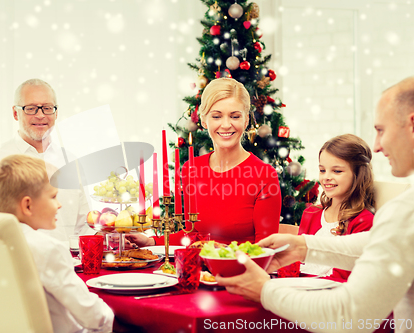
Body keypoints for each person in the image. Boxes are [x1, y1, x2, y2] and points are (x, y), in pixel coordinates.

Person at [216, 76, 414, 333]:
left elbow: (348, 316)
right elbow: (383, 243)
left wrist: (264, 290)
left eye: (380, 130)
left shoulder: (404, 212)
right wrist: (304, 246)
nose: (376, 147)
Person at [128, 78, 281, 247]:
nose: (226, 124)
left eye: (235, 116)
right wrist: (151, 241)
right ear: (203, 120)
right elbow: (193, 235)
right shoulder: (190, 169)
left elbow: (267, 250)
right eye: (216, 116)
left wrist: (224, 253)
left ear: (246, 120)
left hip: (242, 271)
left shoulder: (264, 175)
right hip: (197, 271)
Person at [0, 154, 114, 332]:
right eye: (53, 197)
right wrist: (111, 318)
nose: (59, 205)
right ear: (28, 206)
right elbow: (93, 316)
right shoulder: (48, 250)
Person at [0, 78, 93, 242]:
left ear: (56, 112)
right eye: (30, 108)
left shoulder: (71, 163)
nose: (40, 115)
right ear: (15, 113)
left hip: (66, 265)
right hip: (11, 265)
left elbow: (85, 226)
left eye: (47, 108)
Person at [298, 134, 374, 281]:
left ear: (358, 174)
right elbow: (295, 262)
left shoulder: (364, 221)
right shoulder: (311, 213)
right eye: (322, 170)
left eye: (337, 171)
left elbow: (344, 278)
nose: (326, 177)